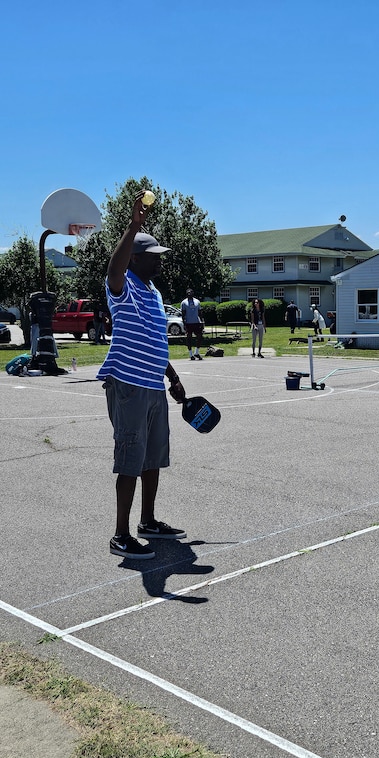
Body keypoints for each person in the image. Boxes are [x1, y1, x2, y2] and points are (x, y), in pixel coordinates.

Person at [98, 192, 187, 560]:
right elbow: (112, 271)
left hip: (152, 385)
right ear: (135, 258)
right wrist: (134, 226)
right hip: (129, 385)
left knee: (153, 458)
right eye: (153, 257)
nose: (159, 263)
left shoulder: (152, 291)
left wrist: (173, 375)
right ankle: (121, 535)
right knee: (131, 459)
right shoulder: (123, 287)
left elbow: (154, 337)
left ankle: (147, 522)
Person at [181, 288, 204, 360]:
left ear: (193, 293)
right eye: (188, 293)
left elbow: (200, 312)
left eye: (190, 292)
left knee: (200, 336)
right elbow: (183, 314)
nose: (189, 294)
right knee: (189, 338)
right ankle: (191, 354)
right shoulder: (184, 303)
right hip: (188, 323)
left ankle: (196, 352)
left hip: (196, 322)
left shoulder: (197, 302)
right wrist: (184, 324)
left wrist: (202, 321)